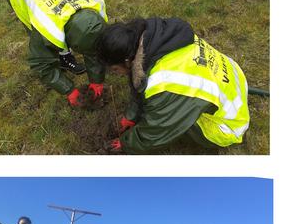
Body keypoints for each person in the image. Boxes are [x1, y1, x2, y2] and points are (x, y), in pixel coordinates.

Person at [95, 17, 250, 153]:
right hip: (233, 81)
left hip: (229, 124)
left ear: (128, 61)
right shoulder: (159, 39)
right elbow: (138, 83)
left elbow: (157, 130)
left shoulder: (165, 83)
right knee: (160, 106)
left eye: (115, 69)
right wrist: (131, 116)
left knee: (165, 116)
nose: (116, 74)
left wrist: (127, 143)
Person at [0, 0, 108, 108]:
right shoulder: (45, 21)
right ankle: (62, 57)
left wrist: (96, 80)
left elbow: (93, 44)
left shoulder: (95, 5)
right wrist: (68, 90)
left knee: (82, 38)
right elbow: (40, 63)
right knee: (36, 29)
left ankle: (64, 56)